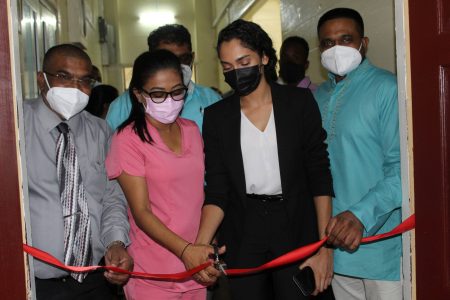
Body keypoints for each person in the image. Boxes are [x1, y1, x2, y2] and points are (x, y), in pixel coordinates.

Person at [194, 19, 334, 300]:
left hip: (294, 221)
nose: (236, 72)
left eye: (243, 61)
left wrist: (325, 246)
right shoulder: (217, 117)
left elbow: (319, 176)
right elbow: (218, 190)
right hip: (244, 227)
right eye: (227, 67)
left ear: (265, 57)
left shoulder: (300, 104)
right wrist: (200, 245)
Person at [105, 50, 221, 300]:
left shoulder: (191, 131)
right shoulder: (127, 140)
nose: (169, 100)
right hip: (155, 272)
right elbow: (142, 211)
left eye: (177, 91)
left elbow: (200, 195)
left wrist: (201, 249)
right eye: (158, 94)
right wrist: (186, 251)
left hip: (197, 263)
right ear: (138, 94)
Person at [24, 44, 133, 299]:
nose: (75, 88)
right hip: (37, 282)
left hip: (95, 280)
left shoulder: (101, 132)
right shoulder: (17, 124)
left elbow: (112, 197)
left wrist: (116, 243)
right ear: (42, 79)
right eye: (64, 77)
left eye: (84, 80)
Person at [314, 8, 402, 299]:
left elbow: (402, 169)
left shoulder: (387, 88)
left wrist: (360, 215)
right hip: (335, 249)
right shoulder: (317, 97)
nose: (336, 48)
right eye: (327, 43)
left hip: (381, 249)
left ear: (363, 43)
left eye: (346, 39)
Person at [106, 24, 221, 132]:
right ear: (151, 59)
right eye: (168, 59)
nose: (177, 67)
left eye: (184, 58)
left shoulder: (211, 100)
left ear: (192, 58)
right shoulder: (122, 106)